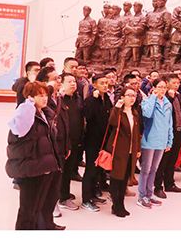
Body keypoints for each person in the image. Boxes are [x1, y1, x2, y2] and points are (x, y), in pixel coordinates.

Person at [6, 81, 61, 230]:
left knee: (37, 207)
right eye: (40, 95)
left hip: (43, 168)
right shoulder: (26, 112)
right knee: (28, 210)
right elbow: (20, 130)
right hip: (31, 169)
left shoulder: (43, 113)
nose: (44, 98)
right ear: (30, 97)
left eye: (45, 95)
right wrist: (28, 106)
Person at [38, 74, 72, 229]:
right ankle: (44, 220)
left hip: (60, 147)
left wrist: (67, 145)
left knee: (56, 181)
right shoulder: (38, 108)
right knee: (47, 185)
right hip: (48, 150)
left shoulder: (59, 99)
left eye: (59, 79)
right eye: (54, 79)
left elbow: (65, 124)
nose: (58, 81)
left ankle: (49, 222)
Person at [137, 78, 173, 208]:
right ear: (154, 88)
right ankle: (141, 196)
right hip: (149, 140)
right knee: (146, 169)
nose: (162, 90)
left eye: (164, 87)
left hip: (161, 141)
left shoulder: (168, 104)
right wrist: (153, 97)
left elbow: (170, 123)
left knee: (154, 169)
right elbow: (147, 114)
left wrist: (169, 140)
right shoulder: (147, 101)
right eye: (160, 87)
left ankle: (149, 194)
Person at [106, 87, 141, 217]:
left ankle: (120, 204)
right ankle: (116, 205)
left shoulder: (135, 113)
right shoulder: (118, 112)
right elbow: (112, 122)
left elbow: (137, 133)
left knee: (124, 179)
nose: (132, 98)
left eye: (134, 95)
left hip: (131, 151)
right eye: (129, 95)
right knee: (116, 178)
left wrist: (138, 149)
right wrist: (117, 107)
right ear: (122, 97)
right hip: (119, 151)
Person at [81, 74, 113, 212]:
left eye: (106, 83)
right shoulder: (90, 100)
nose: (105, 85)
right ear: (94, 85)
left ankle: (93, 194)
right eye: (102, 83)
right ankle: (86, 200)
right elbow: (87, 115)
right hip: (92, 141)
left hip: (103, 140)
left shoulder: (107, 98)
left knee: (99, 170)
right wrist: (94, 99)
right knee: (91, 169)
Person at [154, 74, 181, 198]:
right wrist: (170, 97)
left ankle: (169, 183)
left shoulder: (178, 96)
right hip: (167, 133)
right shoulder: (164, 97)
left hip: (178, 132)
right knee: (163, 160)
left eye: (178, 83)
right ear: (167, 83)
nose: (176, 85)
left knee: (172, 160)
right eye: (173, 83)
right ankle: (158, 187)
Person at [57, 67, 85, 211]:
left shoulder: (77, 98)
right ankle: (62, 198)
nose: (73, 84)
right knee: (62, 170)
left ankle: (64, 193)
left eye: (74, 81)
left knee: (68, 170)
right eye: (69, 81)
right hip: (62, 142)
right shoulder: (59, 100)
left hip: (75, 141)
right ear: (61, 84)